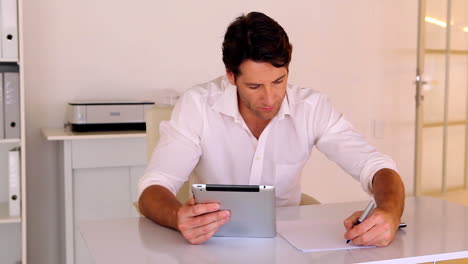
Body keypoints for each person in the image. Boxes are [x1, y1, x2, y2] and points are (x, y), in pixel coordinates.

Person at [138, 11, 405, 246]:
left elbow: (375, 166)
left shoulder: (311, 107)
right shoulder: (197, 105)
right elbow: (154, 187)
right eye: (254, 86)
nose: (269, 98)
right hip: (213, 241)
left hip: (287, 242)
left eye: (279, 81)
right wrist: (177, 217)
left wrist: (390, 212)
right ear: (231, 76)